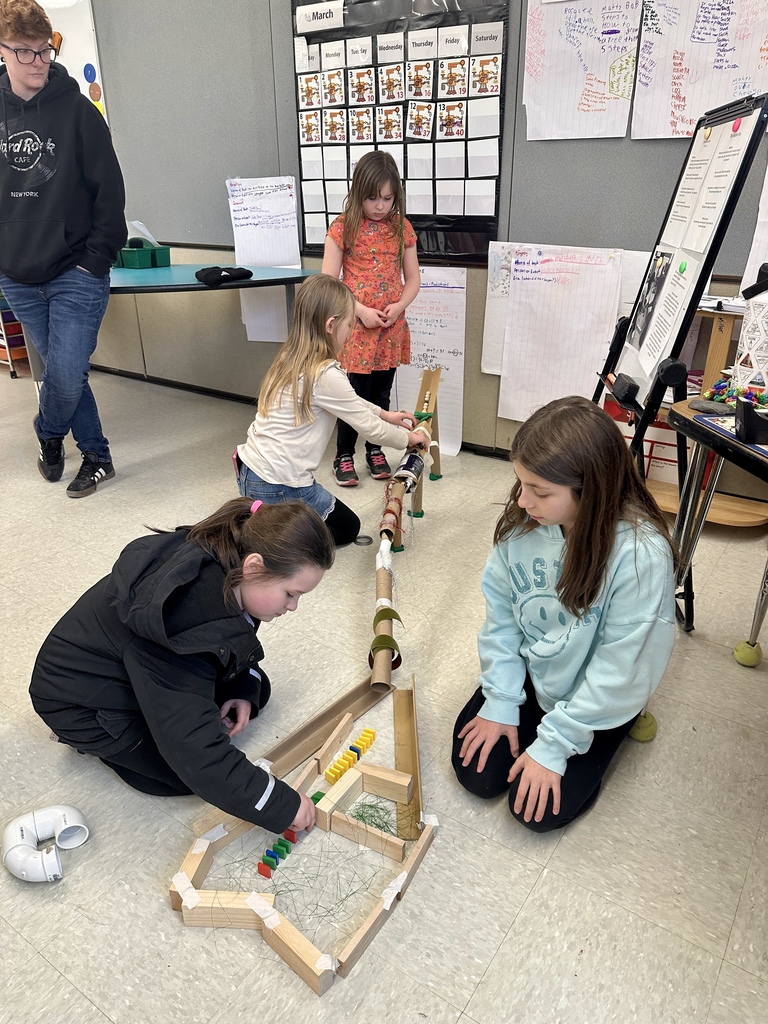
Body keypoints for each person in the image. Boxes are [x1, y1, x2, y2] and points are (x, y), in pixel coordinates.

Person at [29, 498, 335, 834]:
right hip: (79, 703)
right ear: (254, 567)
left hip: (139, 664)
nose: (292, 607)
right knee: (185, 776)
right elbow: (197, 758)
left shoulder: (232, 559)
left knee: (255, 685)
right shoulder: (180, 625)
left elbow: (232, 641)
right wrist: (279, 802)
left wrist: (240, 689)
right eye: (290, 594)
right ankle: (98, 742)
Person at [452, 396, 677, 833]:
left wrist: (557, 744)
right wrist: (501, 700)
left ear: (590, 489)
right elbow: (501, 622)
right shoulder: (523, 525)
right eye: (521, 484)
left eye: (540, 491)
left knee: (535, 812)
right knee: (478, 776)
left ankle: (600, 731)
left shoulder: (639, 556)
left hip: (595, 700)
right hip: (537, 680)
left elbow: (622, 666)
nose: (521, 501)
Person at [0, 0, 126, 498]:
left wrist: (96, 260)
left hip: (76, 269)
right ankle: (96, 454)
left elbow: (110, 191)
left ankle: (48, 434)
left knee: (66, 370)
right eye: (24, 52)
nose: (37, 61)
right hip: (17, 273)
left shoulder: (77, 110)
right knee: (61, 373)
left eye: (43, 51)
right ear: (3, 50)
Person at [235, 274, 426, 547]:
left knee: (337, 526)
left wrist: (386, 415)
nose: (351, 332)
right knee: (346, 530)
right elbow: (369, 429)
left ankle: (259, 516)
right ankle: (264, 525)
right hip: (280, 484)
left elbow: (349, 401)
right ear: (331, 325)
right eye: (350, 324)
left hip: (251, 471)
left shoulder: (292, 356)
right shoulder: (325, 373)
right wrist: (408, 439)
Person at [322, 150, 420, 487]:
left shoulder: (401, 228)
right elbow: (329, 282)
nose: (380, 205)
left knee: (381, 394)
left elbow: (413, 279)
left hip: (390, 329)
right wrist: (360, 310)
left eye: (388, 198)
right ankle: (344, 454)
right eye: (372, 198)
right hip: (356, 330)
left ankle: (375, 449)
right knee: (353, 396)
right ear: (357, 191)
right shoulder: (341, 228)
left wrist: (398, 306)